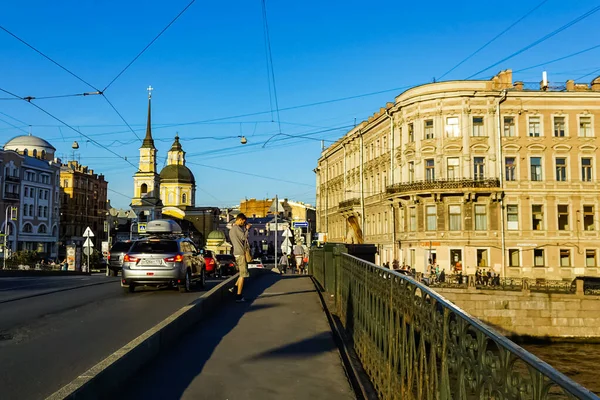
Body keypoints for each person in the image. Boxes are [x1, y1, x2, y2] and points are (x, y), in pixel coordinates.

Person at [229, 213, 251, 302]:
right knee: (243, 275)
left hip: (236, 253)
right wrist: (247, 229)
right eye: (243, 221)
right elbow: (243, 238)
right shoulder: (237, 228)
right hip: (241, 253)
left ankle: (234, 288)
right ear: (240, 219)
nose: (244, 223)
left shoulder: (231, 230)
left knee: (242, 272)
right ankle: (239, 296)